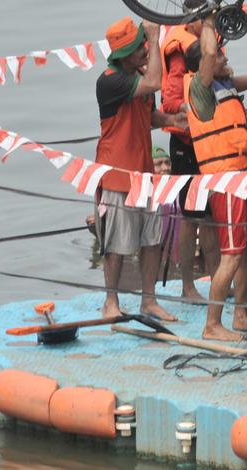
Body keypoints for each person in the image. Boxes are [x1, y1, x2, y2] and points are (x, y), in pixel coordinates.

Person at [183, 12, 247, 341]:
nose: (225, 57)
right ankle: (212, 325)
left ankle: (241, 315)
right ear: (204, 65)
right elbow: (207, 54)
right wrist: (207, 22)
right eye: (220, 55)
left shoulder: (226, 85)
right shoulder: (200, 89)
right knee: (231, 255)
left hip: (244, 178)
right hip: (225, 182)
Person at [95, 16, 183, 323]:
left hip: (144, 173)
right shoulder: (110, 81)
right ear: (123, 56)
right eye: (139, 48)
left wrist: (172, 120)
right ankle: (110, 301)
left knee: (151, 239)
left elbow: (148, 115)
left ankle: (149, 300)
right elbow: (155, 82)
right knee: (115, 244)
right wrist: (155, 38)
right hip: (117, 174)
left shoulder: (138, 76)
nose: (145, 50)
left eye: (144, 45)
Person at [159, 0, 219, 301]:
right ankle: (187, 286)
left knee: (210, 216)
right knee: (191, 217)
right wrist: (193, 106)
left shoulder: (206, 42)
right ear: (191, 20)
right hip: (185, 144)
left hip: (208, 140)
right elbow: (169, 102)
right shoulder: (180, 52)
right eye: (205, 19)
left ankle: (218, 279)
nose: (210, 23)